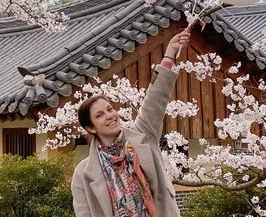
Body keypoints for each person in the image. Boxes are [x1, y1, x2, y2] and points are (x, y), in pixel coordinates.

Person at [71, 29, 191, 217]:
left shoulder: (143, 135)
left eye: (110, 109)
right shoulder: (83, 174)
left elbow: (155, 101)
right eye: (100, 115)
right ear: (90, 127)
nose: (110, 116)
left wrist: (169, 56)